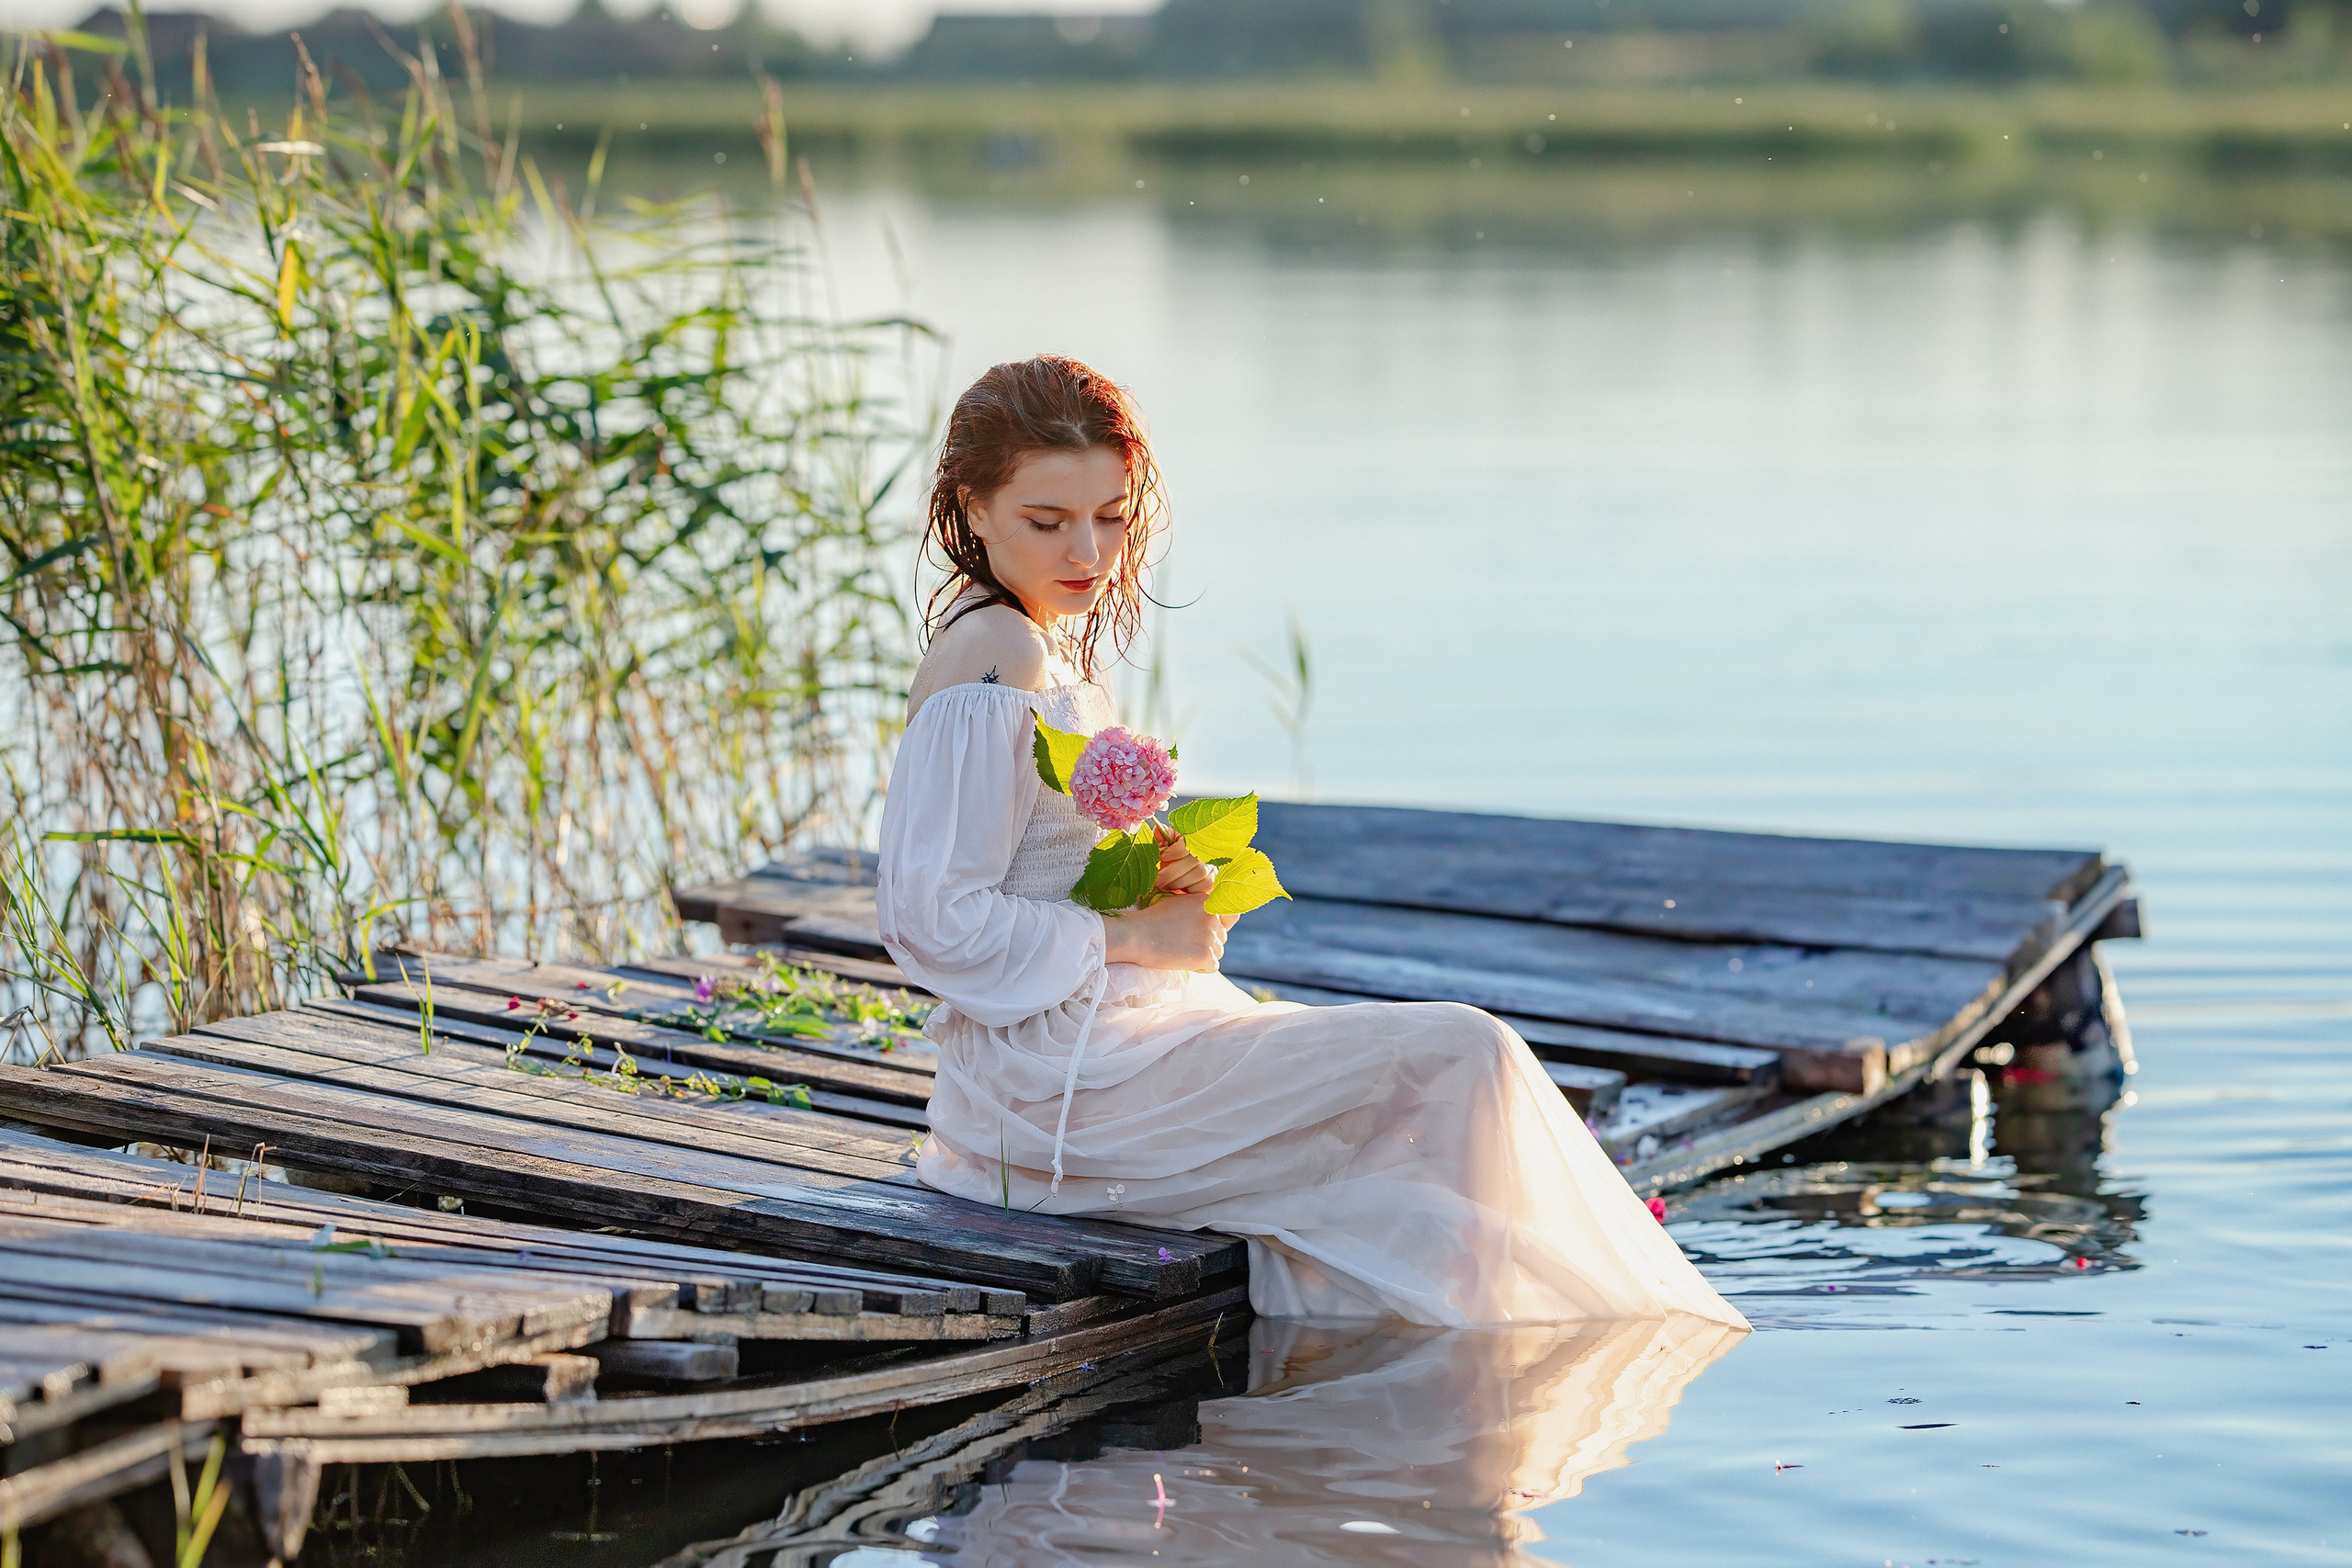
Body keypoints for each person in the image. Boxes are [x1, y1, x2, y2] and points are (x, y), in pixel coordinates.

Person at [875, 354, 1747, 1329]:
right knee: (1465, 1054)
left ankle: (1408, 1391)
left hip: (1087, 1059)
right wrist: (1132, 940)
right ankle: (1487, 1385)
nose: (1090, 550)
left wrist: (1156, 886)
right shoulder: (1000, 652)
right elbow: (929, 920)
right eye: (1048, 521)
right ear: (973, 507)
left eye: (1112, 517)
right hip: (1052, 1095)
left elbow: (1028, 872)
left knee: (1422, 1133)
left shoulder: (1028, 633)